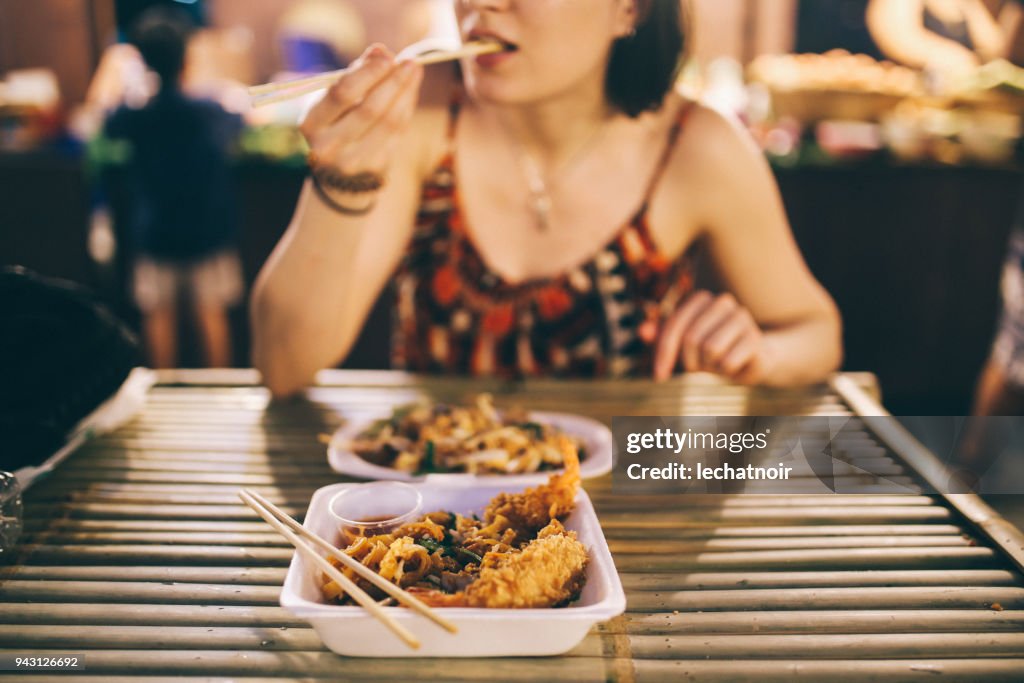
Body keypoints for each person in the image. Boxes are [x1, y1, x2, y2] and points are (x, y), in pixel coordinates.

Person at [251, 0, 842, 397]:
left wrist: (758, 354)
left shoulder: (696, 147)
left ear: (628, 8)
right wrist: (341, 180)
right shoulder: (423, 114)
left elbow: (816, 334)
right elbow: (283, 367)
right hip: (436, 529)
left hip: (628, 529)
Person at [104, 8, 244, 368]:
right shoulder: (209, 111)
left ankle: (162, 389)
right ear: (187, 58)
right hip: (207, 231)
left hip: (156, 231)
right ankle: (220, 390)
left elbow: (107, 121)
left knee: (157, 315)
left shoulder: (135, 115)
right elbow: (239, 120)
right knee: (210, 312)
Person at [867, 0, 1023, 70]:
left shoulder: (969, 4)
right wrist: (947, 56)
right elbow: (895, 35)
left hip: (957, 107)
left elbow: (993, 49)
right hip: (908, 104)